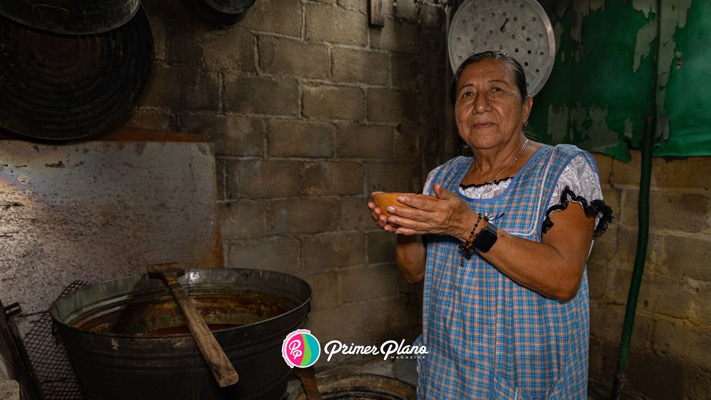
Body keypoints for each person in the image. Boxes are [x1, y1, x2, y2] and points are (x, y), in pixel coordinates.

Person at [368, 51, 613, 399]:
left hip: (526, 377)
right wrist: (406, 227)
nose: (479, 105)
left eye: (496, 90)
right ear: (456, 111)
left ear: (526, 107)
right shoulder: (443, 176)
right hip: (448, 372)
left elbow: (563, 279)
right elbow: (413, 272)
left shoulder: (562, 169)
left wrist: (468, 226)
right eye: (466, 94)